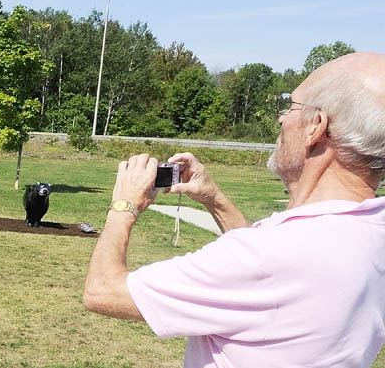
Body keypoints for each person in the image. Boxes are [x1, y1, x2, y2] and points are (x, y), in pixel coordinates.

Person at [83, 52, 385, 367]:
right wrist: (214, 197)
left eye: (292, 106)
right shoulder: (371, 234)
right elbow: (265, 287)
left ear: (316, 126)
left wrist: (123, 205)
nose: (282, 118)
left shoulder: (270, 257)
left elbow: (102, 291)